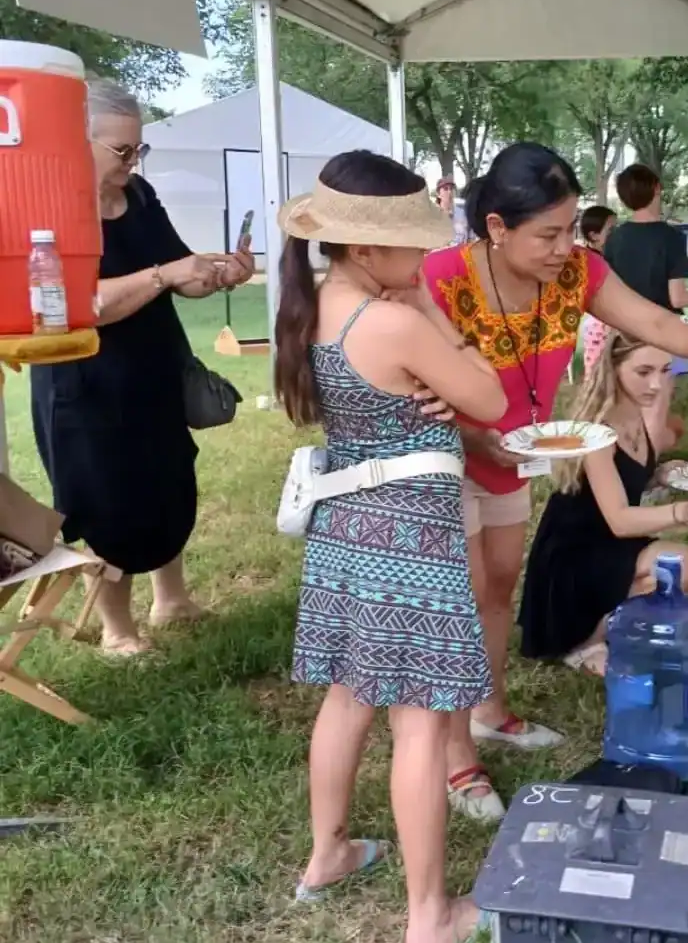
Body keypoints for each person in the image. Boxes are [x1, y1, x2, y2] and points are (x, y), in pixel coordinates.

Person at [423, 142, 688, 823]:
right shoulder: (442, 278)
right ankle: (458, 763)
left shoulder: (577, 272)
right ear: (497, 229)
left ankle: (489, 711)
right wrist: (471, 436)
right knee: (458, 600)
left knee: (499, 583)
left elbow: (656, 322)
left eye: (570, 228)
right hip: (446, 453)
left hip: (515, 454)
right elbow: (408, 379)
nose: (564, 246)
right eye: (547, 233)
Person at [275, 151, 505, 943]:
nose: (426, 258)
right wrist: (439, 327)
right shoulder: (399, 320)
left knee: (347, 697)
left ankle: (327, 855)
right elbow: (491, 398)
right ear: (366, 249)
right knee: (420, 720)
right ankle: (431, 914)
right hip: (411, 535)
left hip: (344, 532)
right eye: (413, 244)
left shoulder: (315, 308)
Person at [30, 79, 255, 656]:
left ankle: (171, 598)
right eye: (121, 151)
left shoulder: (143, 194)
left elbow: (179, 270)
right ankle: (117, 628)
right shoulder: (51, 209)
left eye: (138, 149)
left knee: (165, 479)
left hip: (155, 367)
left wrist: (217, 273)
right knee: (103, 501)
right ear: (75, 143)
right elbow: (81, 303)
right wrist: (164, 276)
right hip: (85, 383)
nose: (132, 162)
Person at [518, 333, 688, 676]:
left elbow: (626, 478)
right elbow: (619, 520)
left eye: (665, 370)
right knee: (682, 563)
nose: (657, 384)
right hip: (576, 555)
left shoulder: (636, 415)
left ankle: (651, 640)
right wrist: (681, 512)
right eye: (643, 372)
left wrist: (660, 475)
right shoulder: (597, 432)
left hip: (610, 543)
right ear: (614, 369)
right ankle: (583, 642)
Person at [604, 163, 688, 449]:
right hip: (660, 338)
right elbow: (678, 298)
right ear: (657, 189)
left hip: (622, 337)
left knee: (627, 410)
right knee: (656, 409)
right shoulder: (670, 239)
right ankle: (646, 477)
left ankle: (630, 466)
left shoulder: (614, 239)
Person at [579, 205, 617, 375]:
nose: (616, 234)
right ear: (594, 235)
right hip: (598, 326)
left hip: (614, 324)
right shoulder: (589, 261)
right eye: (611, 230)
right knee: (597, 376)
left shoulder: (611, 257)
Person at [435, 176, 469, 244]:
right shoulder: (433, 215)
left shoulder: (463, 214)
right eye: (445, 189)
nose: (449, 192)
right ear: (438, 194)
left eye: (451, 189)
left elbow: (471, 238)